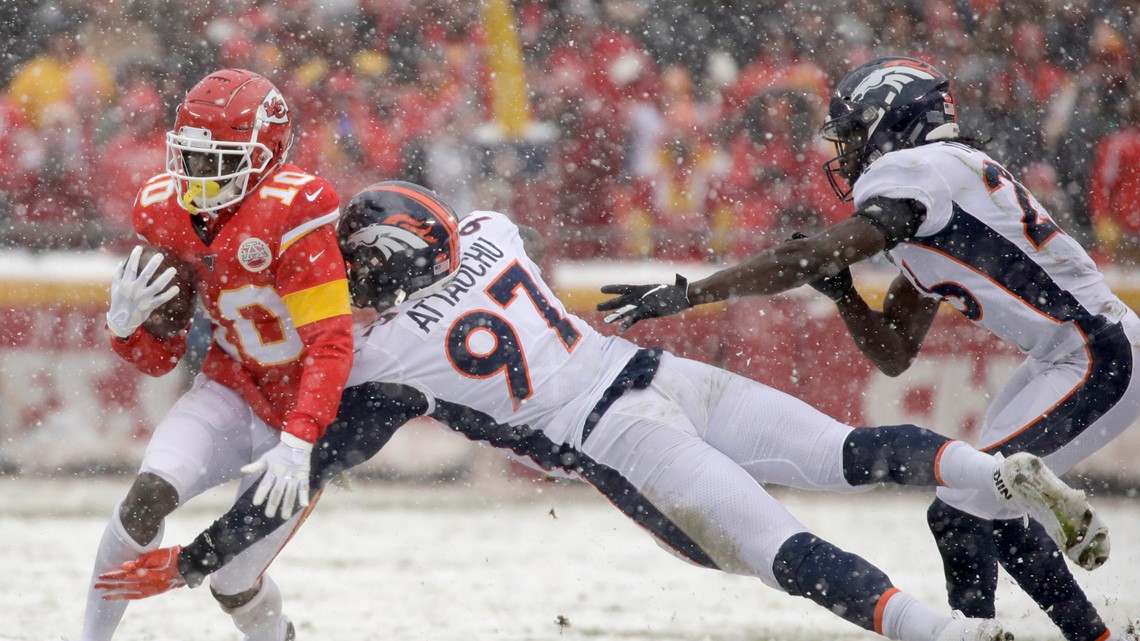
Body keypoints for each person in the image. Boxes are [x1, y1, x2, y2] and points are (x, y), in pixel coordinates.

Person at [96, 181, 1111, 641]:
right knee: (850, 451)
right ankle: (995, 472)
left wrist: (194, 558)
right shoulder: (493, 234)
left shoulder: (382, 352)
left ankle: (935, 630)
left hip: (616, 438)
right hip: (663, 373)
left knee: (777, 551)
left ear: (370, 273)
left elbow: (303, 471)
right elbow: (468, 225)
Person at [597, 57, 1138, 641]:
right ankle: (991, 631)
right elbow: (897, 351)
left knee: (972, 502)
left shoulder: (914, 172)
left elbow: (803, 256)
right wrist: (846, 296)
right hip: (1066, 352)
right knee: (966, 503)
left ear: (894, 119)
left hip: (1097, 352)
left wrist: (690, 292)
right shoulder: (946, 186)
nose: (846, 151)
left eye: (854, 132)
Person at [77, 68, 354, 641]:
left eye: (218, 157)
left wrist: (301, 442)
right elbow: (160, 360)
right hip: (230, 387)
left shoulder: (293, 210)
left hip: (299, 414)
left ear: (265, 154)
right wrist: (126, 330)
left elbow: (331, 343)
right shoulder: (164, 208)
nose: (198, 173)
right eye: (192, 156)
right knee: (144, 501)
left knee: (232, 581)